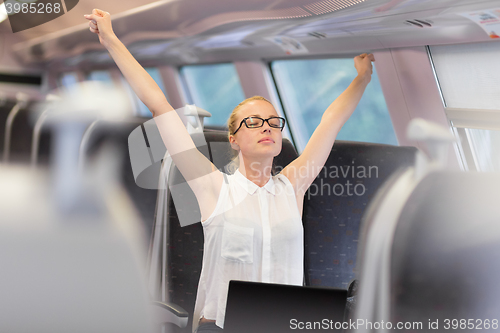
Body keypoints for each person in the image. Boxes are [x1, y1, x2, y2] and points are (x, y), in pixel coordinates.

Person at [85, 8, 375, 333]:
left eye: (273, 122)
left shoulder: (293, 186)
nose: (266, 127)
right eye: (253, 122)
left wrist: (362, 78)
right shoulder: (213, 187)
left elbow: (330, 121)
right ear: (234, 139)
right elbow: (159, 105)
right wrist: (110, 40)